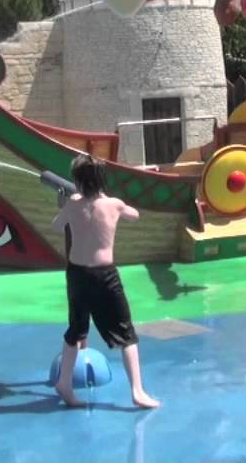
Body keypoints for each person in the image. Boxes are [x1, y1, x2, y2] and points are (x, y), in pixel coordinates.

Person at [51, 154, 159, 409]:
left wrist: (65, 203)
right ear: (102, 180)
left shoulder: (73, 206)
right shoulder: (114, 205)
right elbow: (135, 215)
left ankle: (64, 382)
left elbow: (57, 226)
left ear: (77, 182)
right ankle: (137, 391)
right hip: (104, 276)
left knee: (76, 330)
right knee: (127, 334)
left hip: (77, 274)